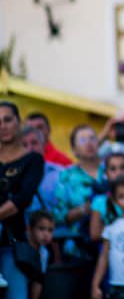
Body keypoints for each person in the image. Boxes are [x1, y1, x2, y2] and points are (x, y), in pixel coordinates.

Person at [0, 101, 45, 299]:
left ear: (19, 122)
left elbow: (22, 199)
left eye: (7, 120)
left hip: (12, 244)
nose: (3, 126)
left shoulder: (33, 160)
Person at [53, 125, 105, 262]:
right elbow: (59, 215)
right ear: (74, 150)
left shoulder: (111, 170)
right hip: (78, 248)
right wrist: (85, 209)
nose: (89, 143)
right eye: (82, 140)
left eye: (92, 138)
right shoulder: (66, 176)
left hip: (112, 243)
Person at [21, 127, 63, 217]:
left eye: (34, 143)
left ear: (44, 146)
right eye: (24, 145)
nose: (30, 149)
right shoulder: (9, 175)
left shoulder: (60, 173)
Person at [88, 153, 124, 241]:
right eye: (113, 169)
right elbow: (95, 234)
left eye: (123, 168)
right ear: (106, 174)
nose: (118, 172)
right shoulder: (99, 202)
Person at [27, 210, 54, 299]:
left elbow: (38, 281)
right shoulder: (22, 249)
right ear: (30, 229)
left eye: (50, 230)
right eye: (41, 229)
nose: (46, 234)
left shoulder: (44, 253)